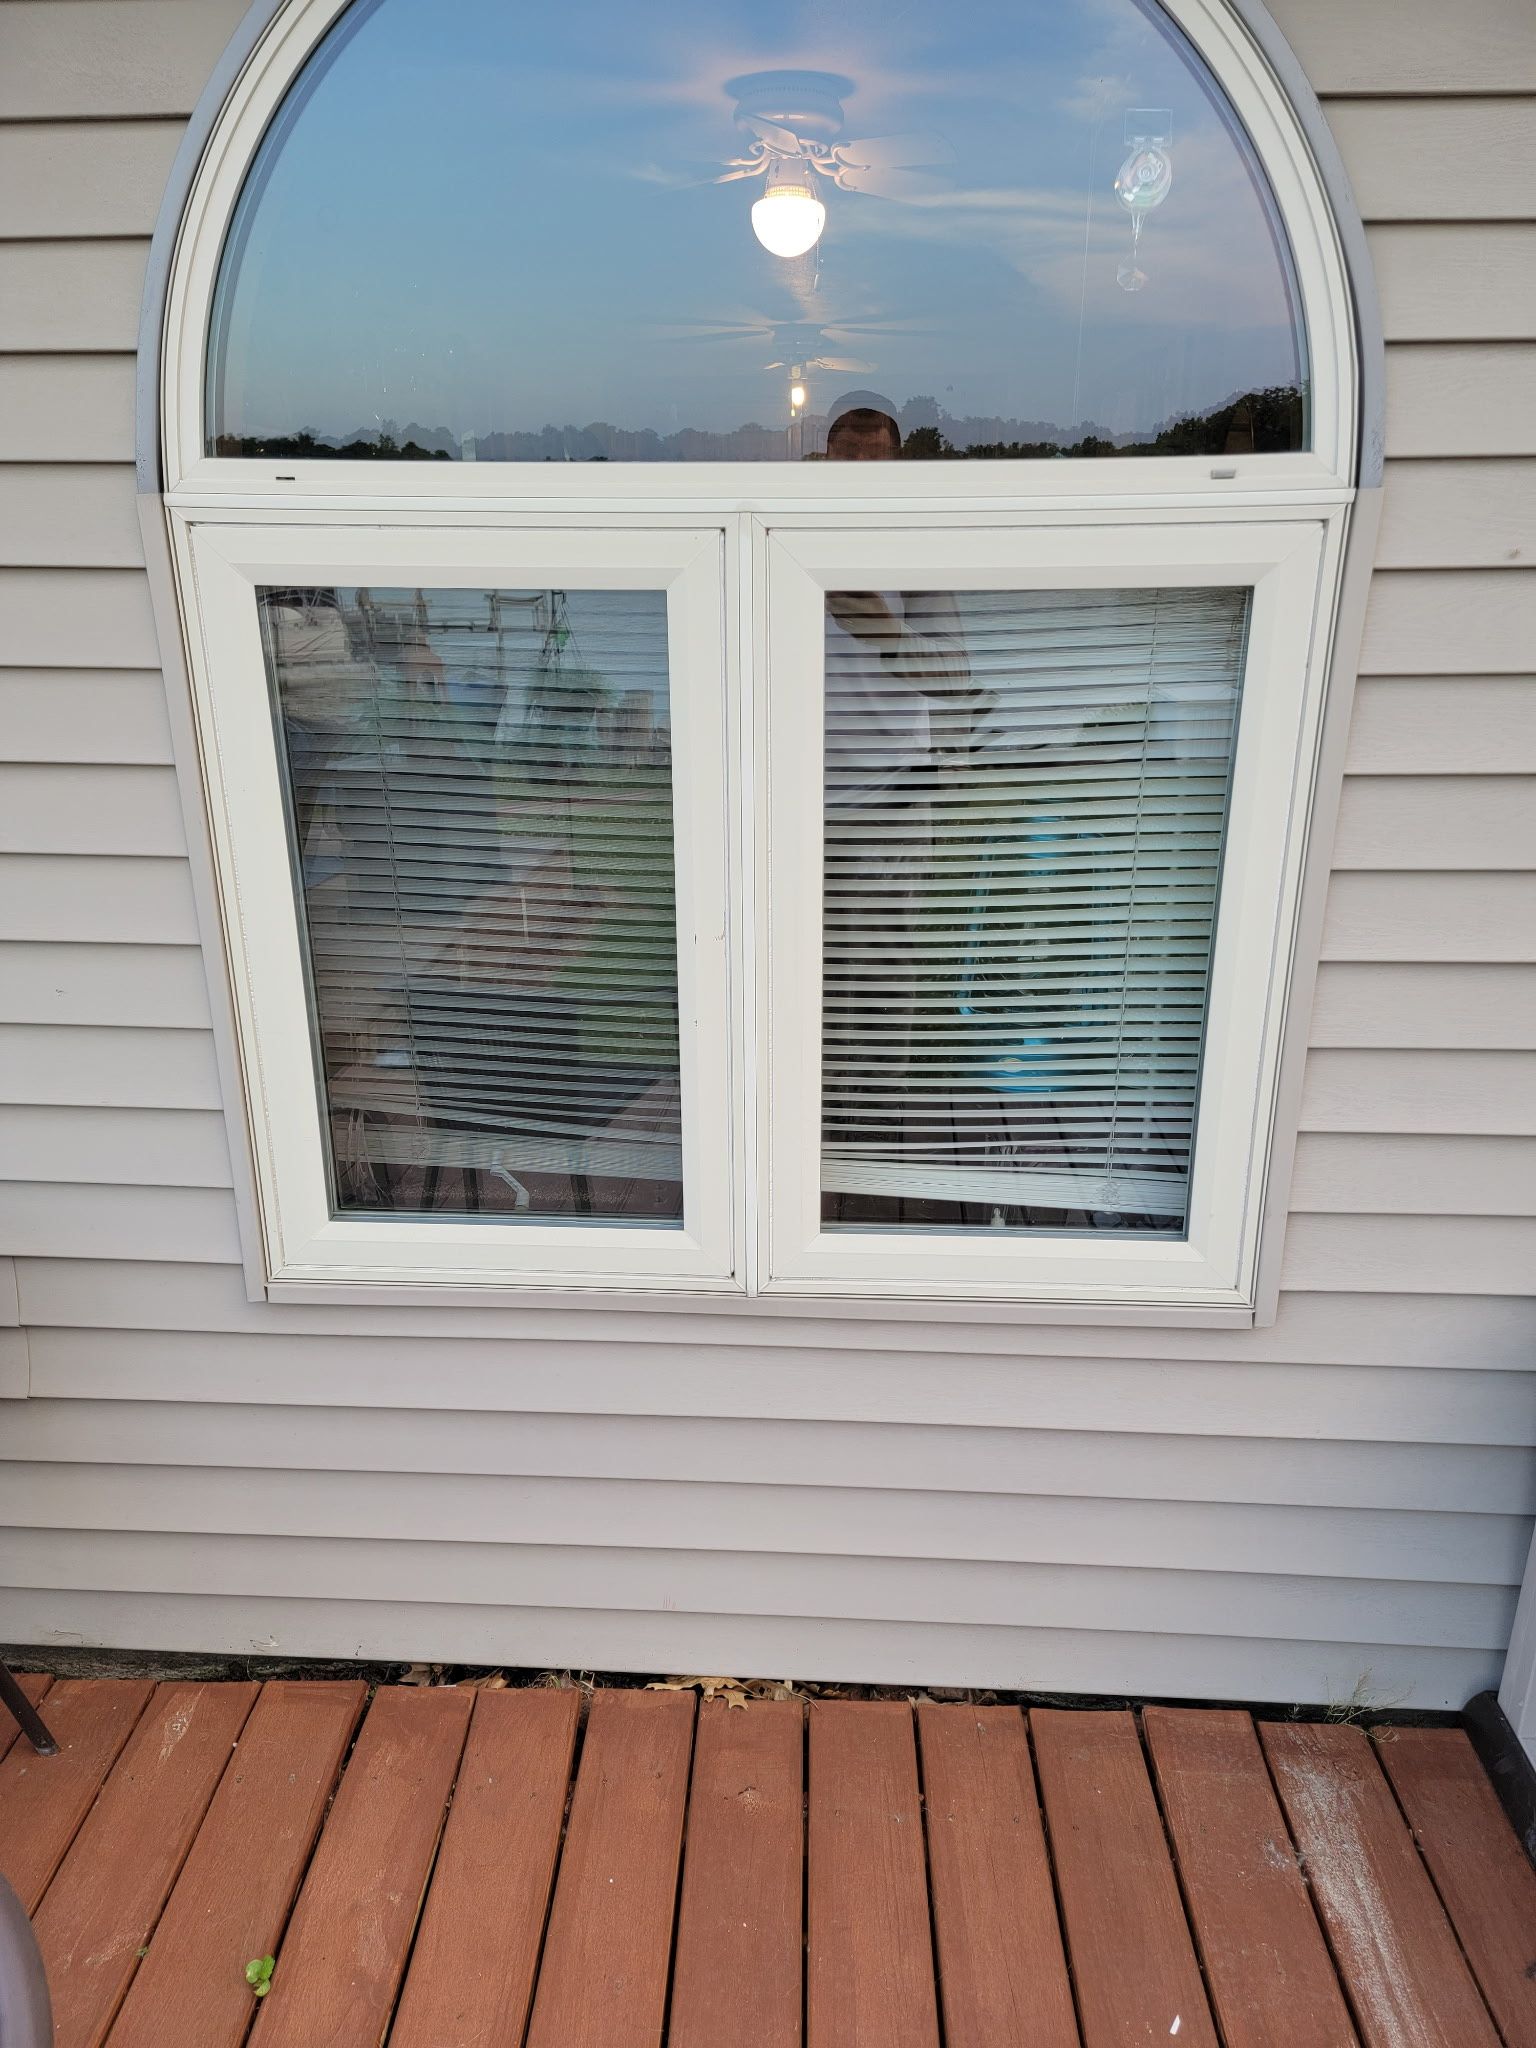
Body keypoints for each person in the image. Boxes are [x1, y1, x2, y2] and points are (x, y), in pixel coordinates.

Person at [820, 396, 987, 1221]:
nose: (857, 468)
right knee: (806, 980)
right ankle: (810, 1134)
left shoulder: (914, 552)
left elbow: (956, 679)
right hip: (794, 804)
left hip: (889, 801)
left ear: (894, 465)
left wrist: (877, 627)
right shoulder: (790, 539)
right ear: (823, 460)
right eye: (844, 454)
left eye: (873, 456)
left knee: (883, 981)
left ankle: (874, 1143)